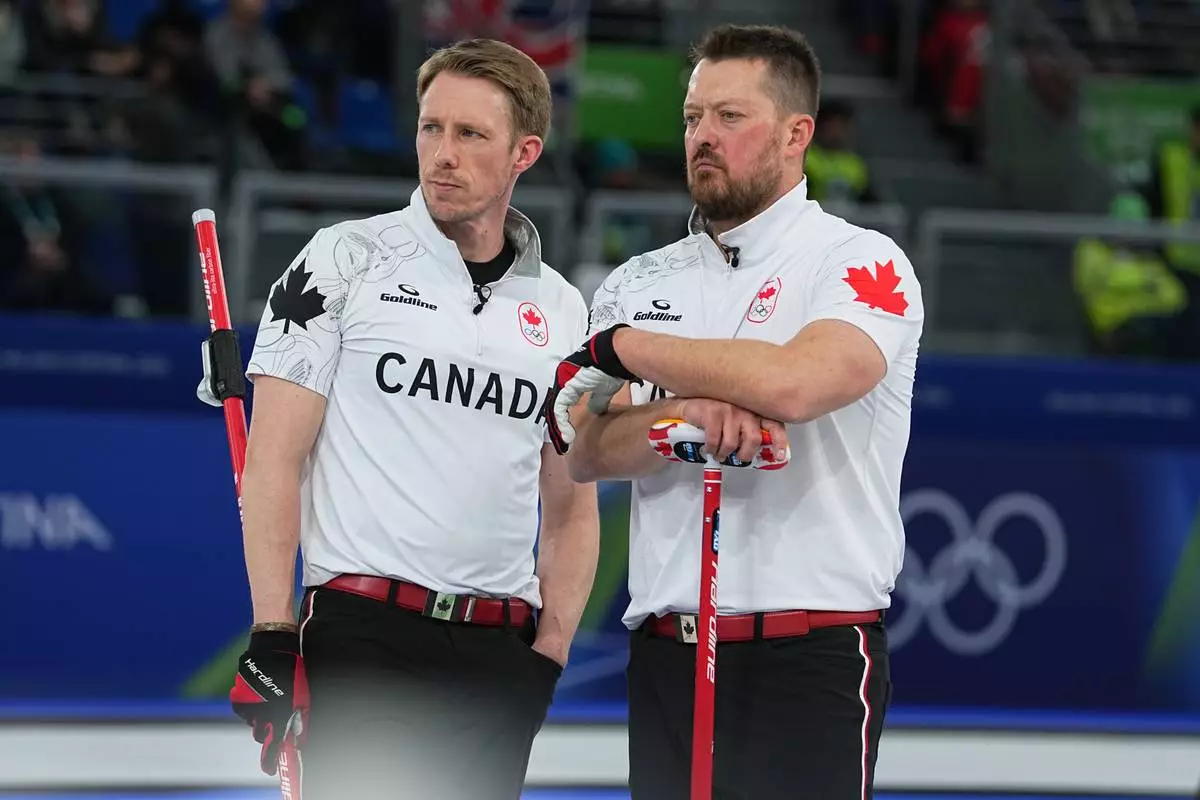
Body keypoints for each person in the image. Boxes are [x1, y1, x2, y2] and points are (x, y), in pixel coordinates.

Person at [203, 38, 599, 800]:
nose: (442, 154)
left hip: (500, 652)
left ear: (525, 152)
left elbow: (572, 507)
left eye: (470, 134)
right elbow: (274, 461)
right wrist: (273, 632)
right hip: (362, 638)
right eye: (430, 128)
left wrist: (547, 658)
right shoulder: (340, 260)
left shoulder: (563, 308)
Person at [543, 24, 923, 799]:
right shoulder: (640, 279)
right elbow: (583, 450)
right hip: (667, 649)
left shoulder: (859, 261)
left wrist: (625, 348)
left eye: (729, 117)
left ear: (796, 134)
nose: (701, 138)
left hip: (810, 648)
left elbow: (794, 385)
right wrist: (680, 415)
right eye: (691, 119)